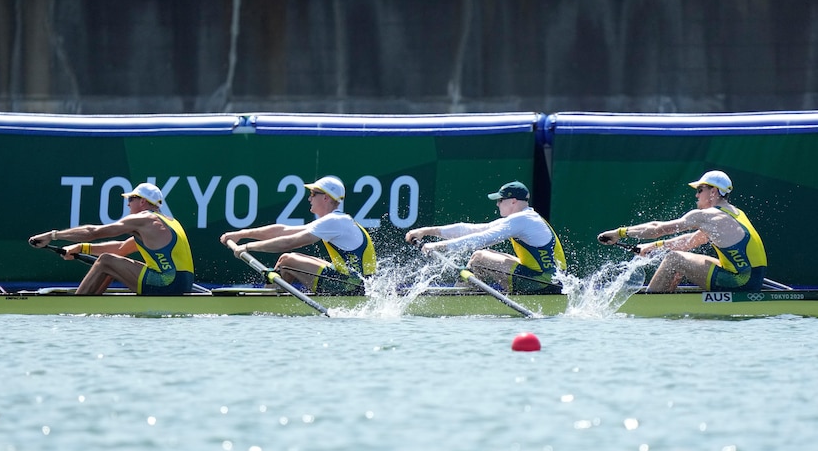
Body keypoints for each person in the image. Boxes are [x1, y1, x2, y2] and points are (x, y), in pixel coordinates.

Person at [597, 170, 767, 292]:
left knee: (674, 259)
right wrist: (651, 247)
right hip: (750, 278)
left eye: (700, 190)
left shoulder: (707, 216)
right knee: (680, 255)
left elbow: (658, 228)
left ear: (713, 192)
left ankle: (651, 308)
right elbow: (690, 241)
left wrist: (619, 233)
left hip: (741, 282)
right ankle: (668, 303)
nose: (697, 196)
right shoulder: (733, 214)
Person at [219, 176, 376, 295]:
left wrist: (247, 247)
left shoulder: (334, 221)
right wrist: (241, 234)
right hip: (355, 283)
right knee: (285, 261)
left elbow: (289, 242)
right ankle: (270, 300)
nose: (309, 198)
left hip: (352, 288)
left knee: (287, 261)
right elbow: (283, 231)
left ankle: (265, 304)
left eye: (313, 194)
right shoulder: (335, 221)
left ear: (326, 197)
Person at [28, 183, 195, 295]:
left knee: (106, 261)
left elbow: (93, 231)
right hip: (182, 285)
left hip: (167, 283)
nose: (128, 204)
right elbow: (122, 248)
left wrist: (53, 235)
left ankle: (76, 305)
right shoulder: (169, 222)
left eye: (131, 199)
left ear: (143, 201)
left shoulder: (143, 219)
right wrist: (81, 248)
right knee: (112, 262)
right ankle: (90, 301)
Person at [404, 181, 566, 293]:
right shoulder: (527, 218)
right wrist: (425, 231)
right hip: (549, 281)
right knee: (482, 255)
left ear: (513, 201)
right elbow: (472, 230)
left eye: (500, 200)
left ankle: (461, 297)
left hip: (541, 284)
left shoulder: (521, 220)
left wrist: (437, 246)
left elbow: (481, 239)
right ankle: (467, 292)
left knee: (480, 257)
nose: (497, 204)